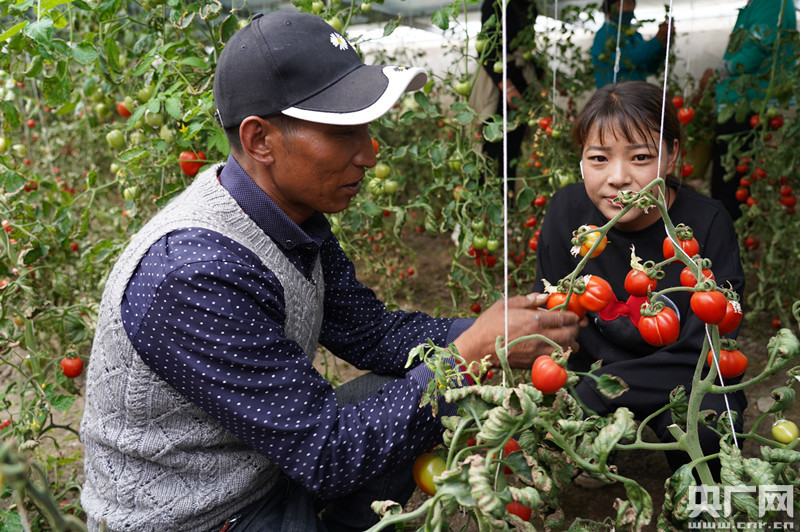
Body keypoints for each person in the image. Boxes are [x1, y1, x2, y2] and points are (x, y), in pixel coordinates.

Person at [79, 10, 582, 532]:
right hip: (203, 519)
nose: (368, 153)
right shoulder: (192, 274)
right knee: (426, 390)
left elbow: (373, 333)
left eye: (365, 127)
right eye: (343, 131)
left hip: (263, 476)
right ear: (260, 140)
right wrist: (470, 353)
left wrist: (503, 334)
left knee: (397, 386)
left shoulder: (291, 219)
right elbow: (328, 452)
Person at [532, 81, 746, 480]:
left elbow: (705, 356)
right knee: (545, 430)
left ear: (672, 156)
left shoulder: (706, 223)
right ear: (581, 160)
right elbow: (556, 322)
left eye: (641, 157)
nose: (618, 177)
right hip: (592, 372)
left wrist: (601, 390)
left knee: (710, 432)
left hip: (678, 377)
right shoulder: (565, 212)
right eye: (598, 158)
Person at [699, 0, 797, 221]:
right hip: (743, 102)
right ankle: (734, 238)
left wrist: (718, 73)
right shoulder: (757, 5)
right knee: (733, 183)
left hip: (749, 104)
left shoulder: (771, 3)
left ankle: (732, 242)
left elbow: (756, 48)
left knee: (731, 186)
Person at [474, 0, 542, 187]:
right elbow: (486, 51)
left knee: (512, 148)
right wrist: (508, 87)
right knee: (488, 148)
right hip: (497, 82)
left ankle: (507, 202)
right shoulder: (494, 3)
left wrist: (541, 72)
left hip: (520, 79)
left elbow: (526, 48)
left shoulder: (530, 6)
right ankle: (478, 202)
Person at [590, 0, 674, 88]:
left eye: (629, 4)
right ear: (609, 12)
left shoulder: (635, 36)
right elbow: (629, 60)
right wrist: (657, 40)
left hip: (635, 93)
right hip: (613, 96)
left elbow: (650, 67)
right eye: (620, 5)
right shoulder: (604, 35)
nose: (626, 9)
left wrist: (663, 44)